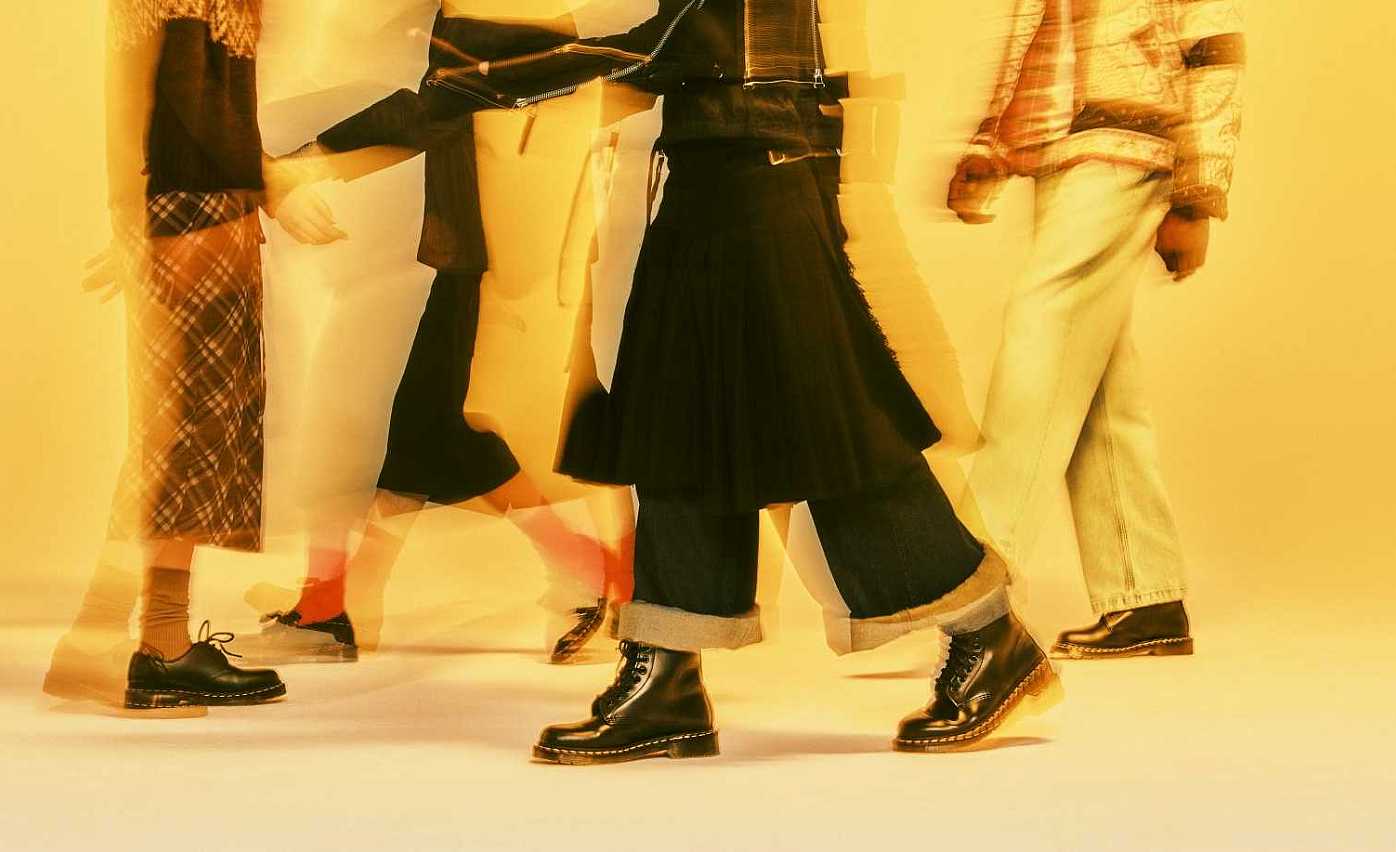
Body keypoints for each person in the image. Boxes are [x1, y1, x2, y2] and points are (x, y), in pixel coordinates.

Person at [417, 0, 1061, 763]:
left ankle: (990, 638)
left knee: (828, 424)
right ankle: (665, 677)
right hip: (720, 169)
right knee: (681, 424)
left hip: (761, 173)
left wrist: (505, 70)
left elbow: (694, 42)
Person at [236, 5, 637, 667]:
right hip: (494, 258)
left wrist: (309, 163)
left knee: (428, 432)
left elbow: (438, 109)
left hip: (494, 262)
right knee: (429, 436)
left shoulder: (495, 12)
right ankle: (332, 603)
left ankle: (595, 575)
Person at [44, 0, 325, 710]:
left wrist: (132, 218)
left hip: (188, 212)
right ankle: (156, 645)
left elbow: (141, 102)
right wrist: (269, 188)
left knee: (175, 434)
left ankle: (106, 636)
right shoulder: (190, 5)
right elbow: (183, 104)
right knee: (186, 438)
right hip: (196, 215)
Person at [946, 0, 1245, 658]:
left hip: (1126, 148)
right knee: (1096, 383)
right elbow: (1037, 28)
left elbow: (1214, 40)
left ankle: (971, 597)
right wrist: (991, 145)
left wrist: (1198, 194)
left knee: (1042, 340)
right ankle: (1146, 595)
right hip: (1068, 152)